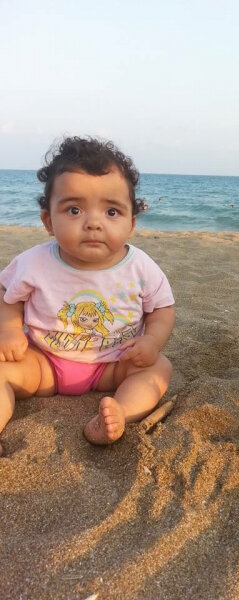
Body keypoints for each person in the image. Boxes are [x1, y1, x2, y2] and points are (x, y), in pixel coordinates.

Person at [0, 137, 175, 455]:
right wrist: (10, 329)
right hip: (43, 363)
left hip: (113, 365)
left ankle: (118, 415)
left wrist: (152, 342)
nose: (93, 223)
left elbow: (161, 309)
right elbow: (6, 295)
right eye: (75, 209)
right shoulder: (33, 263)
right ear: (48, 221)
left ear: (131, 223)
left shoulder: (140, 267)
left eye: (111, 211)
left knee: (158, 369)